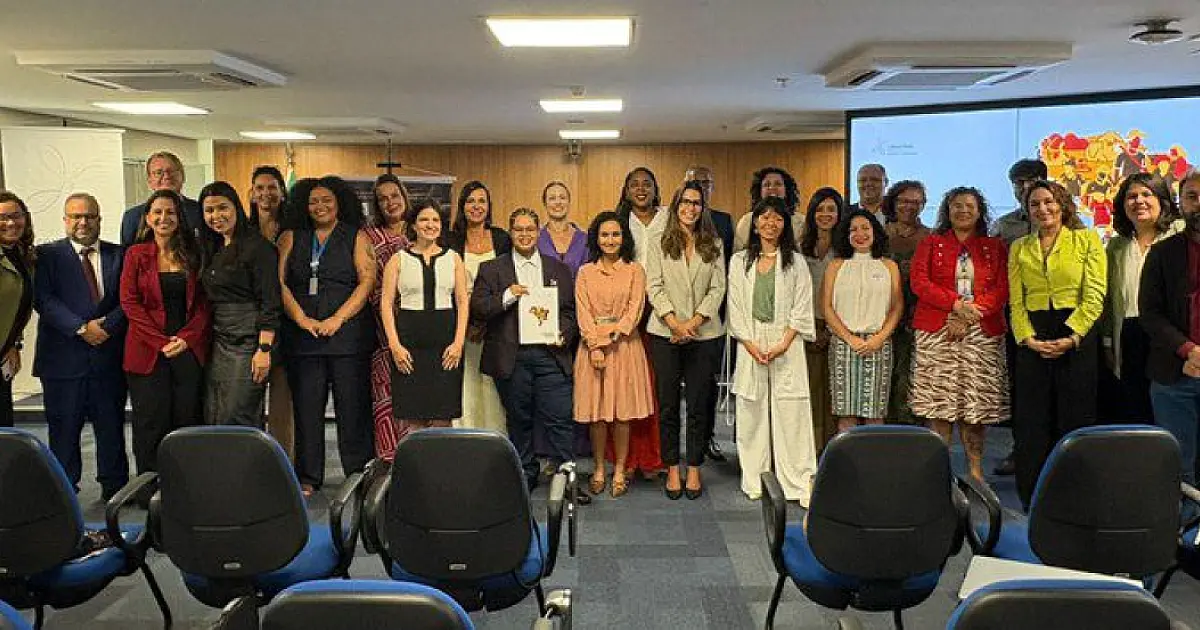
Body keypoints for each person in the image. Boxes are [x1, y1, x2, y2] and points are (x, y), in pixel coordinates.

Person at [1008, 180, 1106, 508]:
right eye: (1035, 204)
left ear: (1062, 204)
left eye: (1048, 202)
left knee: (1074, 418)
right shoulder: (1019, 247)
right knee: (1032, 421)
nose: (1042, 209)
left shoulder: (1086, 239)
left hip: (1076, 335)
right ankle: (1033, 496)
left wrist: (1073, 336)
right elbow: (1016, 301)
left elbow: (1094, 295)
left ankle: (1074, 496)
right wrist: (1027, 339)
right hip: (1033, 336)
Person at [278, 176, 376, 497]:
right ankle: (308, 475)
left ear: (340, 204)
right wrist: (302, 319)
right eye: (313, 202)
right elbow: (280, 283)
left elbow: (366, 281)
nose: (320, 207)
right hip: (303, 338)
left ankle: (357, 471)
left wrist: (337, 319)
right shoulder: (292, 237)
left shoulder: (356, 236)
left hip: (348, 337)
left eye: (327, 201)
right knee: (308, 408)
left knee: (353, 408)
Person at [470, 208, 578, 491]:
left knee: (559, 416)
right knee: (518, 420)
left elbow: (569, 312)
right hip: (511, 357)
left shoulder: (558, 268)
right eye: (519, 229)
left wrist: (562, 334)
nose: (525, 234)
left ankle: (566, 477)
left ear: (538, 232)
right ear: (511, 232)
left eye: (530, 229)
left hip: (550, 355)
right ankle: (525, 475)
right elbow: (478, 308)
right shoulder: (491, 269)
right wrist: (507, 296)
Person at [909, 187, 1010, 483]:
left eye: (969, 206)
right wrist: (954, 306)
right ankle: (939, 472)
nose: (963, 210)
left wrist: (970, 313)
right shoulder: (931, 243)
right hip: (938, 332)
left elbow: (1002, 288)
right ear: (947, 210)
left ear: (979, 211)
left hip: (983, 333)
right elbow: (919, 282)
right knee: (940, 405)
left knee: (974, 407)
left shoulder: (995, 246)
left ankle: (976, 472)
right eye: (956, 205)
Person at [32, 194, 129, 498]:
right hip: (62, 361)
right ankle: (63, 492)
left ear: (100, 219)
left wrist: (107, 326)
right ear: (65, 220)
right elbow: (43, 300)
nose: (82, 222)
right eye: (75, 216)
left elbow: (129, 300)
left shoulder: (121, 255)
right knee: (63, 431)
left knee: (111, 428)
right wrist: (80, 328)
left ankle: (115, 489)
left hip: (108, 357)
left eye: (89, 216)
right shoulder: (46, 256)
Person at [728, 196, 817, 504]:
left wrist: (782, 342)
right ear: (754, 223)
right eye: (764, 217)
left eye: (777, 218)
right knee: (751, 411)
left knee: (792, 411)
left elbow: (802, 307)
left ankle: (797, 482)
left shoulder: (796, 261)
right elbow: (736, 307)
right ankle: (756, 479)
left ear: (785, 224)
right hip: (750, 340)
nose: (770, 223)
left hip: (786, 342)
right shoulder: (740, 261)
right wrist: (751, 344)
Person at [121, 189, 211, 476]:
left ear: (179, 218)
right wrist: (161, 342)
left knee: (186, 418)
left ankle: (185, 485)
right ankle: (148, 485)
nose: (163, 218)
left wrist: (186, 338)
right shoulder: (136, 254)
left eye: (170, 212)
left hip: (187, 349)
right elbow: (129, 302)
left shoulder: (195, 253)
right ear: (147, 218)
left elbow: (204, 304)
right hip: (147, 351)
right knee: (150, 422)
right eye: (157, 212)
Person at [644, 181, 726, 500]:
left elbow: (718, 288)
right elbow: (654, 285)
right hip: (665, 333)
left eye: (696, 203)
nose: (690, 208)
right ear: (675, 205)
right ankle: (672, 468)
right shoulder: (658, 240)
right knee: (667, 405)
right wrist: (675, 323)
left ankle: (693, 467)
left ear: (703, 208)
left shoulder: (714, 243)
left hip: (704, 334)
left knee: (697, 404)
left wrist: (693, 323)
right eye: (685, 202)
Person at [573, 212, 654, 499]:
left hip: (624, 349)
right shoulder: (585, 272)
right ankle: (598, 468)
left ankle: (619, 469)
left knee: (622, 414)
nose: (610, 240)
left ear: (624, 238)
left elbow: (634, 311)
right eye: (605, 235)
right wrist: (594, 346)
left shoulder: (635, 271)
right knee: (597, 415)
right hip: (592, 350)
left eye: (616, 234)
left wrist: (609, 336)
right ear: (596, 238)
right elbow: (583, 313)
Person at [1101, 173, 1182, 423]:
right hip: (1130, 332)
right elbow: (1109, 299)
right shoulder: (1116, 246)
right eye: (1131, 196)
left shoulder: (1179, 235)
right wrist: (1107, 342)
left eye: (1147, 194)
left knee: (1173, 407)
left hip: (1171, 333)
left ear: (1163, 200)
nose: (1139, 201)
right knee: (1136, 407)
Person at [199, 182, 281, 427]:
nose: (216, 216)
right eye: (209, 210)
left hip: (249, 342)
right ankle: (221, 466)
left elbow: (270, 301)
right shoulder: (210, 247)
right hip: (218, 340)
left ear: (236, 207)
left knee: (238, 413)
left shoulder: (258, 247)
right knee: (215, 411)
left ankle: (246, 465)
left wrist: (264, 350)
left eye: (222, 208)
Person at [381, 198, 468, 429]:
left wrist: (459, 343)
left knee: (443, 416)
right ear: (413, 225)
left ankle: (442, 466)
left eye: (436, 220)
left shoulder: (454, 258)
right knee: (414, 416)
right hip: (409, 346)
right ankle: (416, 466)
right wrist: (395, 346)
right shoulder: (398, 260)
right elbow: (386, 304)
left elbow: (462, 302)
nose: (430, 225)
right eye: (424, 219)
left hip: (446, 346)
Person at [1141, 170, 1200, 506]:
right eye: (1190, 196)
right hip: (1173, 376)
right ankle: (1183, 542)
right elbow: (1149, 312)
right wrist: (1190, 351)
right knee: (1179, 471)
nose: (1198, 203)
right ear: (1180, 204)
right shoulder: (1163, 253)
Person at [990, 158, 1048, 477]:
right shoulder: (1004, 225)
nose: (1023, 188)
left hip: (1057, 313)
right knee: (1020, 387)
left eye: (1031, 181)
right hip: (1015, 314)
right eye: (1017, 183)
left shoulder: (1065, 219)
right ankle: (1021, 449)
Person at [822, 209, 903, 431]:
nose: (860, 234)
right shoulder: (836, 266)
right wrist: (849, 339)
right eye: (853, 230)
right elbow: (827, 307)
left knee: (874, 413)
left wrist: (879, 338)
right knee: (846, 413)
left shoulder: (888, 266)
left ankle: (874, 464)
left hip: (879, 344)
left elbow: (897, 307)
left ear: (875, 232)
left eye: (865, 228)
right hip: (843, 344)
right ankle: (848, 465)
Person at [615, 167, 666, 479]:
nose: (641, 189)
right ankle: (629, 458)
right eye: (634, 184)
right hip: (628, 312)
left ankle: (652, 458)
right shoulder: (618, 222)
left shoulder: (667, 218)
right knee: (628, 386)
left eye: (647, 184)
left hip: (661, 310)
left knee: (655, 386)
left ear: (655, 188)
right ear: (626, 190)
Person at [450, 180, 509, 434]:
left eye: (481, 201)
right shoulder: (451, 240)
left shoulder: (501, 238)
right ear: (462, 206)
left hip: (497, 326)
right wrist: (469, 324)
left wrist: (484, 323)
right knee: (467, 385)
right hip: (461, 329)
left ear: (489, 206)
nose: (476, 206)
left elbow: (509, 281)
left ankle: (496, 439)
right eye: (470, 201)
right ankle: (465, 439)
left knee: (492, 386)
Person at [685, 165, 734, 463]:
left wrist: (705, 313)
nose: (701, 187)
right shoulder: (672, 222)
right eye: (695, 183)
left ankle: (708, 439)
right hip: (674, 320)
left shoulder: (723, 222)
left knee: (706, 386)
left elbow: (725, 272)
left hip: (711, 317)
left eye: (706, 183)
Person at [248, 165, 294, 458]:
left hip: (287, 322)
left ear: (282, 191)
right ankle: (251, 460)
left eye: (272, 187)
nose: (266, 194)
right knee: (248, 397)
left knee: (282, 401)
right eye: (260, 188)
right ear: (252, 193)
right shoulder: (243, 231)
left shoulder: (294, 231)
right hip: (249, 323)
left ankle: (283, 463)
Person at [365, 174, 412, 459]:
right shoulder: (369, 237)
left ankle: (418, 457)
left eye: (394, 195)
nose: (390, 202)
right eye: (382, 199)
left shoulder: (423, 228)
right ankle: (389, 459)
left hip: (422, 328)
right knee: (387, 397)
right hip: (384, 330)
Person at [798, 188, 845, 453]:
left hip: (838, 329)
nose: (825, 215)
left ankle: (832, 449)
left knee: (834, 394)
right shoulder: (800, 245)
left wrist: (830, 330)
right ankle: (809, 450)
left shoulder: (846, 249)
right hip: (806, 329)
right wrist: (808, 330)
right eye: (820, 209)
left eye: (831, 210)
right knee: (809, 391)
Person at [882, 181, 932, 425]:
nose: (909, 207)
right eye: (903, 201)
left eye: (915, 202)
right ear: (893, 202)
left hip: (917, 319)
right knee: (883, 378)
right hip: (880, 317)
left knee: (911, 379)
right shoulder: (878, 233)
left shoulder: (931, 237)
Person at [119, 151, 205, 247]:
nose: (167, 176)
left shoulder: (200, 211)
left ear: (183, 176)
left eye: (171, 171)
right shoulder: (132, 217)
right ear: (149, 181)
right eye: (159, 173)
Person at [734, 166, 804, 251]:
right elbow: (738, 253)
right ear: (759, 191)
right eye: (767, 185)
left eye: (778, 184)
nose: (772, 188)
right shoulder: (747, 221)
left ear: (787, 190)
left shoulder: (801, 222)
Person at [537, 181, 588, 274]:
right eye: (552, 198)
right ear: (545, 204)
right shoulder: (536, 238)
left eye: (562, 198)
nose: (558, 202)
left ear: (569, 202)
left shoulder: (585, 239)